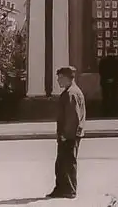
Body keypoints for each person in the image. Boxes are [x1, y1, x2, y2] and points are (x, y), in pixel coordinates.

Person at [48, 66, 86, 200]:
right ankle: (61, 189)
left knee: (68, 163)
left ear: (68, 78)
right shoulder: (70, 92)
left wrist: (65, 134)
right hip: (68, 134)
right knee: (61, 163)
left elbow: (73, 117)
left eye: (60, 78)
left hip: (69, 136)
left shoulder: (71, 93)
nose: (58, 80)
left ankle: (69, 190)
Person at [98, 51, 118, 117]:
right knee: (114, 97)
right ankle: (114, 111)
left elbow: (100, 71)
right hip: (114, 81)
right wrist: (113, 78)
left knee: (105, 97)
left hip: (105, 81)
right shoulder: (117, 61)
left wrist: (107, 78)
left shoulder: (103, 61)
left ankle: (105, 112)